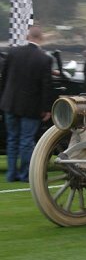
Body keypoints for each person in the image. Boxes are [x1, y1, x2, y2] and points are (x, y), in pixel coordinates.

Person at [0, 26, 53, 182]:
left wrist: (4, 98)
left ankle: (11, 173)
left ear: (27, 36)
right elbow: (46, 86)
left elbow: (5, 77)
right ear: (41, 38)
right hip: (30, 106)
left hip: (10, 103)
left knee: (12, 139)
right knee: (26, 141)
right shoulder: (44, 59)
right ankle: (24, 174)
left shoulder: (13, 53)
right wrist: (47, 109)